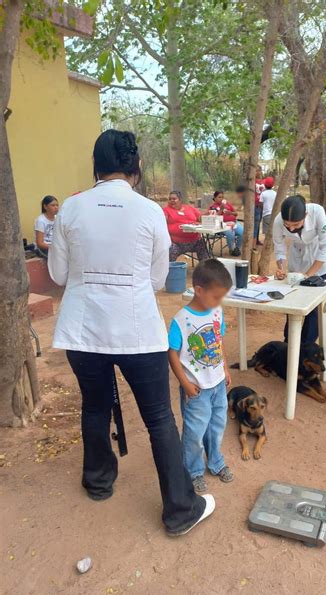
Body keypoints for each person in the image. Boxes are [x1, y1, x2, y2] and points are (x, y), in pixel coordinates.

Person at [48, 129, 214, 535]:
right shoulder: (148, 212)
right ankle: (179, 510)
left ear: (96, 166)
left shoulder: (70, 209)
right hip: (137, 330)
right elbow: (158, 278)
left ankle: (99, 481)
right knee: (159, 417)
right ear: (136, 167)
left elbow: (57, 274)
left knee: (94, 405)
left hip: (83, 330)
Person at [168, 259, 233, 494]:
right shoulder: (180, 320)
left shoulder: (217, 311)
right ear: (198, 290)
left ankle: (215, 462)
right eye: (216, 296)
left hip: (217, 385)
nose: (219, 302)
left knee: (217, 426)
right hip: (196, 390)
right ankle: (194, 471)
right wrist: (184, 383)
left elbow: (218, 341)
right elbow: (172, 353)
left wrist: (224, 368)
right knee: (194, 432)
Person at [273, 195, 326, 343]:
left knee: (314, 308)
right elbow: (279, 246)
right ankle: (289, 344)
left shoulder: (317, 212)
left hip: (320, 261)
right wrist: (281, 268)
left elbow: (325, 247)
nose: (291, 228)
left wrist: (308, 275)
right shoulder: (277, 221)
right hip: (298, 257)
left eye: (296, 224)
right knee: (293, 303)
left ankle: (306, 347)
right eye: (287, 225)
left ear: (305, 215)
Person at [163, 191, 208, 262]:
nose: (171, 201)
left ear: (180, 200)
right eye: (170, 199)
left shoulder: (189, 208)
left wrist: (208, 214)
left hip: (195, 241)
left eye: (174, 199)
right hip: (176, 243)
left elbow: (200, 218)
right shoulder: (166, 210)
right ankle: (170, 271)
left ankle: (206, 269)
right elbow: (163, 220)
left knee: (203, 246)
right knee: (170, 250)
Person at [207, 190, 243, 256]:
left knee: (242, 232)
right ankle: (232, 249)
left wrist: (230, 213)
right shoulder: (212, 207)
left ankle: (237, 249)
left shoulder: (227, 204)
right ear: (214, 198)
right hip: (222, 225)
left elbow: (236, 213)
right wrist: (221, 210)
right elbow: (213, 218)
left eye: (222, 197)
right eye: (219, 197)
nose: (221, 199)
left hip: (233, 223)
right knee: (230, 233)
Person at [254, 166, 266, 246]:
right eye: (256, 170)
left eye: (259, 170)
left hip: (261, 205)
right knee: (255, 224)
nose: (258, 172)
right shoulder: (252, 181)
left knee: (258, 224)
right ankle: (253, 243)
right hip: (255, 205)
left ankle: (257, 240)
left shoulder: (263, 181)